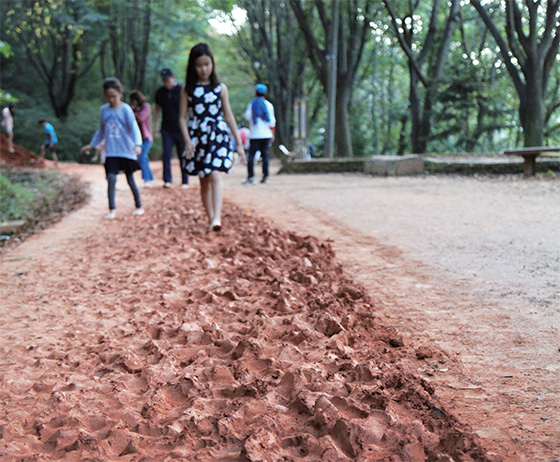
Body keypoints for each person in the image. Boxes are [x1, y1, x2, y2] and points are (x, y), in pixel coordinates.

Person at [179, 42, 245, 231]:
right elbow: (182, 117)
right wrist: (187, 141)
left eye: (207, 64)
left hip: (217, 136)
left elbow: (229, 115)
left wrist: (239, 144)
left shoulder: (220, 88)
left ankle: (217, 217)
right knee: (204, 179)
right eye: (199, 65)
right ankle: (211, 218)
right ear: (193, 66)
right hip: (197, 136)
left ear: (212, 64)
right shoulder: (187, 89)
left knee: (214, 174)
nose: (204, 69)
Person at [80, 77, 144, 220]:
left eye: (113, 96)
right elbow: (101, 131)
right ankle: (112, 209)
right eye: (108, 97)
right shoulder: (104, 110)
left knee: (130, 180)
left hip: (126, 151)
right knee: (111, 179)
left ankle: (139, 206)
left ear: (120, 93)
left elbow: (134, 128)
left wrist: (137, 144)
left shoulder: (126, 109)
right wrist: (92, 145)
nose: (111, 100)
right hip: (111, 151)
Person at [154, 68, 189, 189]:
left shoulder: (181, 90)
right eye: (164, 80)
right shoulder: (160, 92)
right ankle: (167, 180)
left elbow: (189, 108)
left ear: (173, 78)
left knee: (182, 155)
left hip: (180, 129)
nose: (166, 82)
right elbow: (157, 110)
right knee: (167, 154)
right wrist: (155, 127)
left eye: (168, 79)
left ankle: (185, 180)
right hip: (166, 128)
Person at [243, 83, 276, 184]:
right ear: (265, 93)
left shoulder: (252, 104)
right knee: (265, 156)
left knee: (251, 156)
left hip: (255, 134)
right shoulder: (269, 105)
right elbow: (272, 122)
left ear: (256, 93)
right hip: (266, 134)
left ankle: (250, 177)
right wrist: (272, 134)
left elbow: (247, 117)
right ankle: (265, 177)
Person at [130, 90, 155, 188]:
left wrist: (132, 113)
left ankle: (147, 179)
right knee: (142, 158)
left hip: (146, 137)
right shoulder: (134, 109)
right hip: (137, 138)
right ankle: (149, 177)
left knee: (142, 157)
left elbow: (141, 117)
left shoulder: (146, 107)